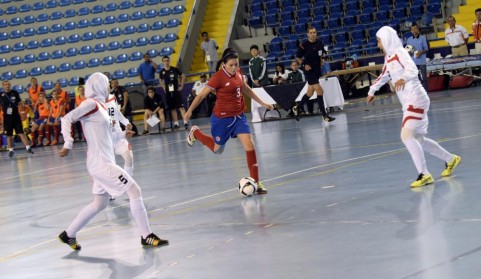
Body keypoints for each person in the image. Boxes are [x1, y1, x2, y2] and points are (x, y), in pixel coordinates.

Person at [57, 72, 168, 251]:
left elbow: (111, 131)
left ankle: (68, 234)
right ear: (98, 85)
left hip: (103, 161)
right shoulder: (91, 104)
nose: (108, 87)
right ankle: (146, 235)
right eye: (106, 83)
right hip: (101, 164)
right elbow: (67, 118)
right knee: (134, 190)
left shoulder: (104, 105)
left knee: (100, 204)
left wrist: (124, 133)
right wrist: (68, 143)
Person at [367, 26, 461, 188]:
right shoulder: (389, 56)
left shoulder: (400, 53)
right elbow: (384, 75)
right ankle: (450, 159)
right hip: (410, 101)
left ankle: (424, 174)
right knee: (418, 140)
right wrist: (372, 90)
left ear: (387, 39)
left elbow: (412, 69)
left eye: (379, 40)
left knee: (406, 136)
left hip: (415, 99)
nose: (378, 44)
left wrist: (403, 79)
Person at [184, 48, 273, 195]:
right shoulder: (218, 77)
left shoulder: (238, 73)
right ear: (224, 64)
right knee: (217, 150)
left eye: (236, 65)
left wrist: (263, 103)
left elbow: (246, 89)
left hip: (239, 118)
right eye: (231, 65)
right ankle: (196, 132)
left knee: (249, 145)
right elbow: (201, 96)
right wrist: (190, 110)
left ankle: (257, 182)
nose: (234, 68)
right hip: (222, 120)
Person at [295, 25, 335, 122]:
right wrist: (304, 65)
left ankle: (298, 108)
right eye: (311, 33)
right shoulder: (303, 45)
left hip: (317, 70)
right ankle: (325, 115)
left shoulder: (320, 42)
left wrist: (323, 59)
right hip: (309, 71)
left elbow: (323, 53)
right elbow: (298, 57)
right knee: (320, 90)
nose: (313, 34)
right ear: (307, 34)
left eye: (314, 32)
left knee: (310, 92)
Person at [0, 80, 34, 157]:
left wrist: (22, 113)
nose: (7, 86)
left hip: (16, 116)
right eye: (6, 84)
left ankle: (28, 148)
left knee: (21, 132)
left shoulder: (15, 92)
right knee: (9, 135)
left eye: (8, 84)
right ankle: (11, 150)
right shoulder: (1, 94)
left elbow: (20, 103)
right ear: (3, 86)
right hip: (7, 118)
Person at [105, 91, 135, 177]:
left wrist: (127, 123)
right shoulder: (94, 102)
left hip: (118, 135)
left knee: (129, 157)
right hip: (105, 138)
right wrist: (109, 122)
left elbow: (117, 113)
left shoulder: (112, 97)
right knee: (108, 167)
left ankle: (128, 183)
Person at [159, 55, 188, 131]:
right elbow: (160, 80)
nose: (166, 62)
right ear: (163, 62)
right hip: (168, 92)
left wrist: (181, 86)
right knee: (172, 108)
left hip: (176, 90)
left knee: (181, 107)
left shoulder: (174, 69)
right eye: (165, 61)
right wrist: (164, 88)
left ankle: (185, 122)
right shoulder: (162, 72)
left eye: (167, 61)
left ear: (169, 61)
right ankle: (176, 124)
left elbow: (183, 76)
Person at [407, 23, 429, 91]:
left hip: (421, 61)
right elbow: (408, 50)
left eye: (415, 28)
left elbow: (426, 49)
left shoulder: (423, 38)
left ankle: (425, 91)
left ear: (418, 29)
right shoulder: (409, 40)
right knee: (416, 78)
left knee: (424, 77)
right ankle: (419, 91)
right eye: (412, 29)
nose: (414, 30)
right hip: (413, 62)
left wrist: (421, 52)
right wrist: (409, 53)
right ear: (411, 31)